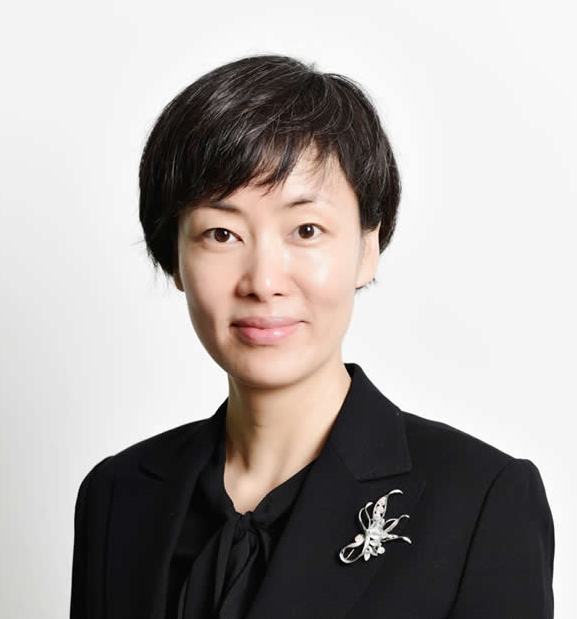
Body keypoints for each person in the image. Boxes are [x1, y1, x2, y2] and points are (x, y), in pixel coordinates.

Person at [70, 55, 555, 619]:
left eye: (306, 229)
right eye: (221, 233)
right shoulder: (118, 494)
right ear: (174, 258)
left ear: (367, 249)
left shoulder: (481, 500)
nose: (263, 282)